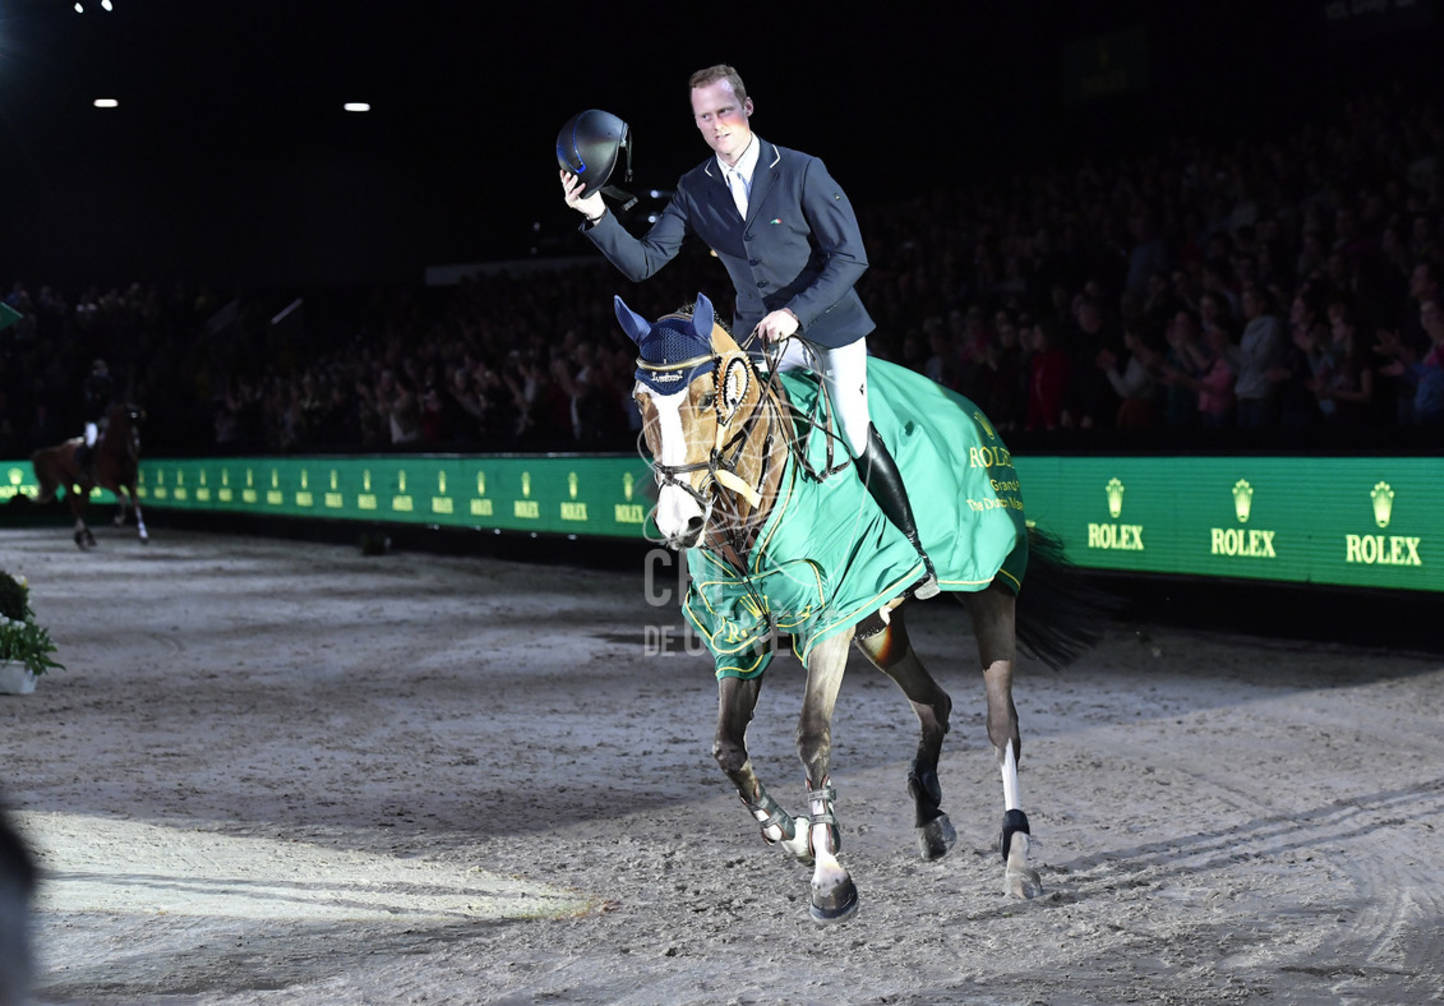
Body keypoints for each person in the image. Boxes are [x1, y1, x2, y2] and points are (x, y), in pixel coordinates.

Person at [560, 63, 938, 596]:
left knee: (853, 431)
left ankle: (913, 550)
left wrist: (795, 313)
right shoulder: (695, 188)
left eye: (724, 112)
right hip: (758, 338)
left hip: (828, 328)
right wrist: (596, 213)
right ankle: (743, 567)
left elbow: (851, 257)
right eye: (704, 117)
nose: (716, 125)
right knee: (725, 435)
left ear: (748, 108)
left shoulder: (802, 171)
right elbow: (645, 263)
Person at [73, 358, 114, 479]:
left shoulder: (110, 382)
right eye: (101, 369)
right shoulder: (89, 384)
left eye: (104, 368)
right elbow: (89, 404)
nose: (104, 371)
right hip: (93, 420)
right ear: (95, 371)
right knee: (91, 442)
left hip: (107, 418)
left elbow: (112, 400)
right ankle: (82, 468)